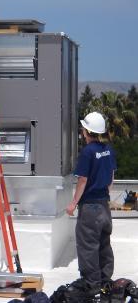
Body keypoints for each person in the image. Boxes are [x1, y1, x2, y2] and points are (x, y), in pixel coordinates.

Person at [65, 111, 117, 300]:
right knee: (104, 244)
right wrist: (104, 194)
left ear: (86, 131)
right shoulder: (109, 150)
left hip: (90, 208)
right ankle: (105, 281)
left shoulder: (87, 152)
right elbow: (111, 177)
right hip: (104, 205)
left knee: (88, 247)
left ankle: (92, 286)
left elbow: (83, 180)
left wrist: (72, 203)